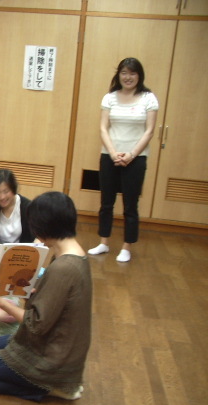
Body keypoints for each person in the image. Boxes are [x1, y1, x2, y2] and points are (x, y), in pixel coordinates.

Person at [0, 192, 92, 402]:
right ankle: (53, 382)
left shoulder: (63, 268)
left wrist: (0, 303)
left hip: (53, 358)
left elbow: (35, 325)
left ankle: (51, 388)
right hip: (62, 347)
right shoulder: (75, 255)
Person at [88, 57, 159, 263]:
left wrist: (131, 154)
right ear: (118, 75)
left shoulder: (148, 98)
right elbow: (103, 128)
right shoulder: (110, 97)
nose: (128, 77)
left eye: (132, 73)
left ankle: (127, 246)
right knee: (106, 202)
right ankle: (103, 242)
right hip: (109, 155)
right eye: (124, 73)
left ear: (139, 76)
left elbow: (149, 131)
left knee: (130, 204)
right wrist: (112, 153)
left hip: (136, 158)